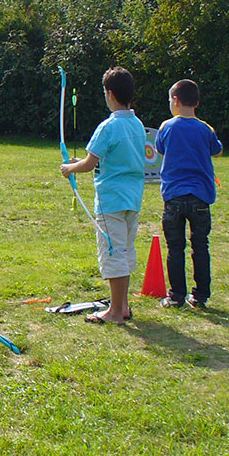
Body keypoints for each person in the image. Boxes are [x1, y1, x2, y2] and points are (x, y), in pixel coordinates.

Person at [60, 67, 146, 325]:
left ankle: (116, 312)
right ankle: (123, 306)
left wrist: (69, 168)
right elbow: (103, 159)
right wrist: (81, 162)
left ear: (109, 94)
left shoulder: (108, 126)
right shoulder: (137, 124)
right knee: (124, 250)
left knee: (113, 253)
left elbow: (88, 164)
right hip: (132, 199)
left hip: (111, 202)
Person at [154, 79, 223, 308]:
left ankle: (176, 296)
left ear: (175, 100)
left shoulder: (166, 127)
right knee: (200, 245)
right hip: (200, 196)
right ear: (196, 102)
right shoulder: (205, 128)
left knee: (175, 247)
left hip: (174, 195)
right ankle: (201, 295)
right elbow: (218, 150)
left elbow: (160, 149)